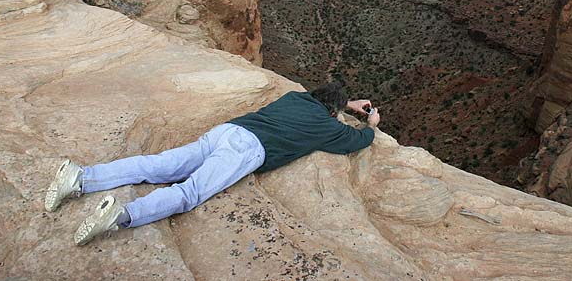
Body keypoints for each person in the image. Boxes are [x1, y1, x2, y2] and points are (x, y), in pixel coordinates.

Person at [44, 82, 380, 246]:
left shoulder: (294, 97)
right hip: (247, 151)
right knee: (189, 193)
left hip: (227, 131)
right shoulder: (327, 129)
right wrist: (371, 123)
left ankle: (81, 178)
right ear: (334, 112)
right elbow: (359, 141)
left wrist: (344, 101)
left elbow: (315, 97)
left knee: (158, 165)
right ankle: (121, 215)